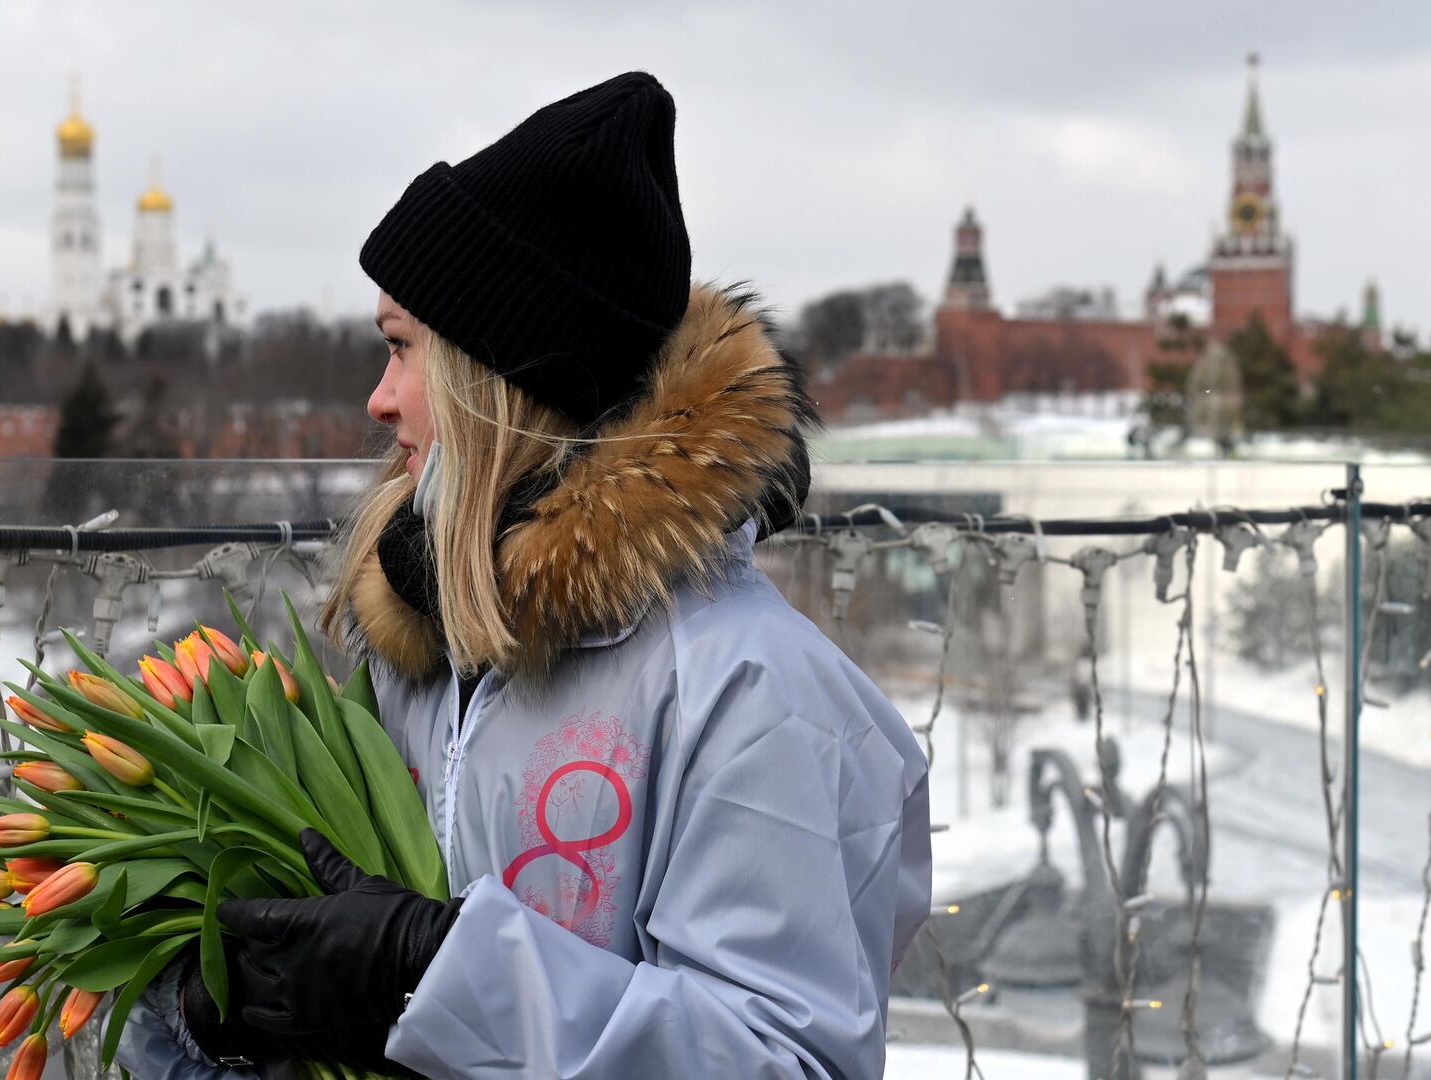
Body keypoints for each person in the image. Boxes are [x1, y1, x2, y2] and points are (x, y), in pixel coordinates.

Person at [115, 71, 931, 1079]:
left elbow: (784, 1060)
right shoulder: (430, 646)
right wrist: (243, 1010)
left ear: (502, 383)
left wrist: (436, 971)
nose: (378, 400)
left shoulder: (756, 694)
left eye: (403, 350)